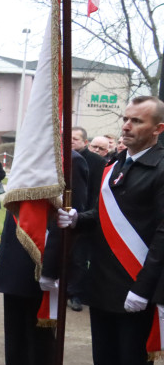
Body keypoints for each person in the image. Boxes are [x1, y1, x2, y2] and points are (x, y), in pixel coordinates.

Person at [57, 96, 164, 365]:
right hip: (103, 280)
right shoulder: (116, 164)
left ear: (158, 129)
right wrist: (79, 218)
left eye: (137, 121)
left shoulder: (160, 168)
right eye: (126, 119)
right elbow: (105, 215)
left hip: (136, 285)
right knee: (105, 361)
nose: (127, 126)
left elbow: (162, 234)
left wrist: (144, 287)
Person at [0, 152, 88, 365]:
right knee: (15, 333)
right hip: (15, 256)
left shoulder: (69, 160)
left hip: (43, 258)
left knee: (38, 337)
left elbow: (70, 217)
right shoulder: (28, 152)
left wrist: (53, 267)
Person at [68, 126, 106, 312]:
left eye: (75, 138)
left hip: (85, 215)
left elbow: (96, 190)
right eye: (69, 137)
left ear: (85, 142)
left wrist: (88, 214)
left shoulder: (96, 162)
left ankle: (76, 293)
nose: (71, 141)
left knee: (79, 257)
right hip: (63, 215)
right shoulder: (62, 158)